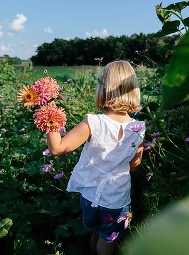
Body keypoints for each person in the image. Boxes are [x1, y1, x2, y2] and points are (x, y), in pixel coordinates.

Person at [46, 60, 145, 255]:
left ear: (103, 89)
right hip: (117, 198)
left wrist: (49, 118)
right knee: (108, 241)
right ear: (133, 89)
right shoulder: (139, 128)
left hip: (91, 196)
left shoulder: (93, 122)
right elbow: (135, 166)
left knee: (95, 232)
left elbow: (57, 149)